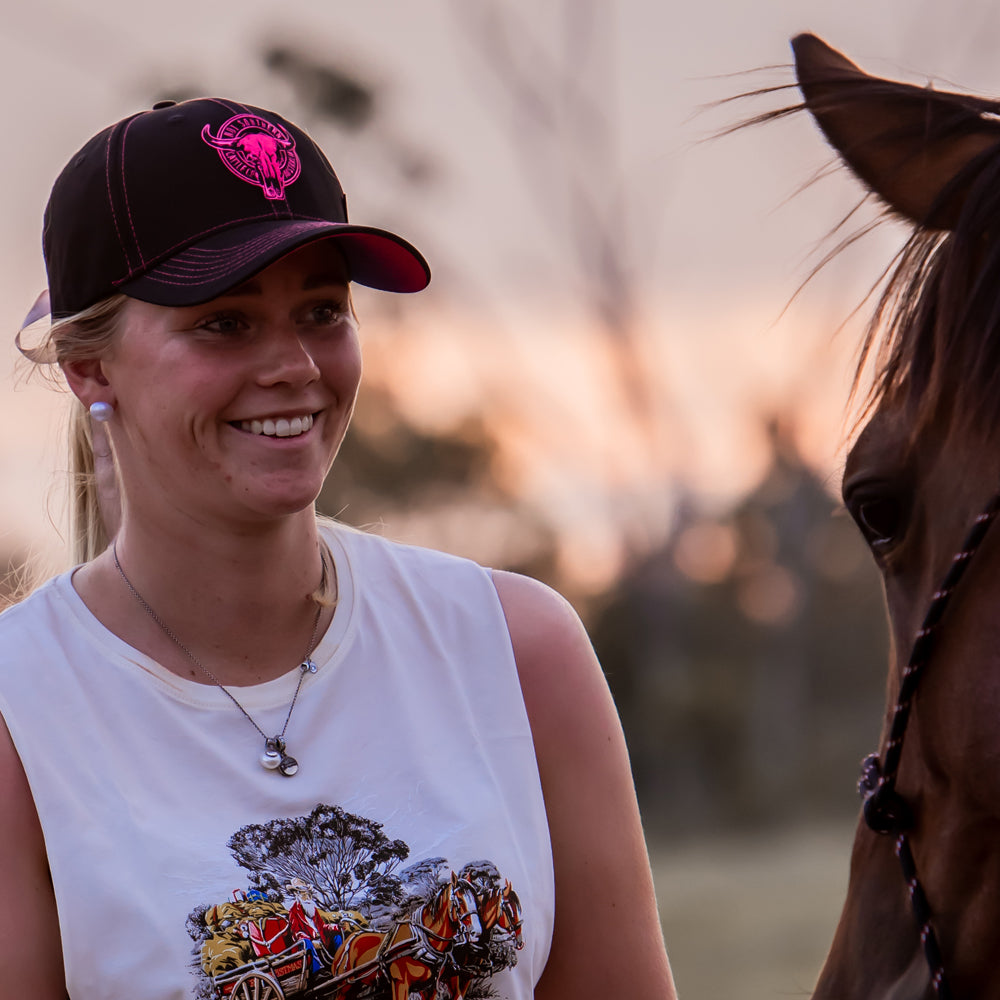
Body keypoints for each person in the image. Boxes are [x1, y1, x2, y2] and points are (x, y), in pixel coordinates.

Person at [0, 97, 676, 1000]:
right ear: (91, 367)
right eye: (225, 323)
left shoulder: (515, 651)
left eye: (322, 311)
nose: (297, 366)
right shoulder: (22, 716)